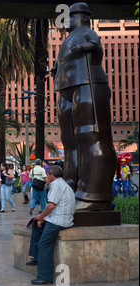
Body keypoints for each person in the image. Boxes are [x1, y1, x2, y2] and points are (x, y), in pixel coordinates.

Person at [51, 2, 117, 211]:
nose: (68, 20)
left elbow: (97, 52)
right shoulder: (69, 38)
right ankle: (72, 189)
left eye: (73, 16)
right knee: (70, 142)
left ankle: (94, 195)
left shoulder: (88, 33)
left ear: (85, 17)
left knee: (91, 136)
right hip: (67, 89)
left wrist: (91, 48)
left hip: (87, 83)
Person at [26, 165, 75, 285]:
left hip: (59, 221)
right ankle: (36, 257)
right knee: (36, 226)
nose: (46, 177)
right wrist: (42, 219)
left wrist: (41, 217)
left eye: (47, 175)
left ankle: (45, 277)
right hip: (58, 218)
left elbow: (51, 205)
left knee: (43, 244)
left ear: (52, 175)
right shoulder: (61, 183)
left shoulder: (57, 185)